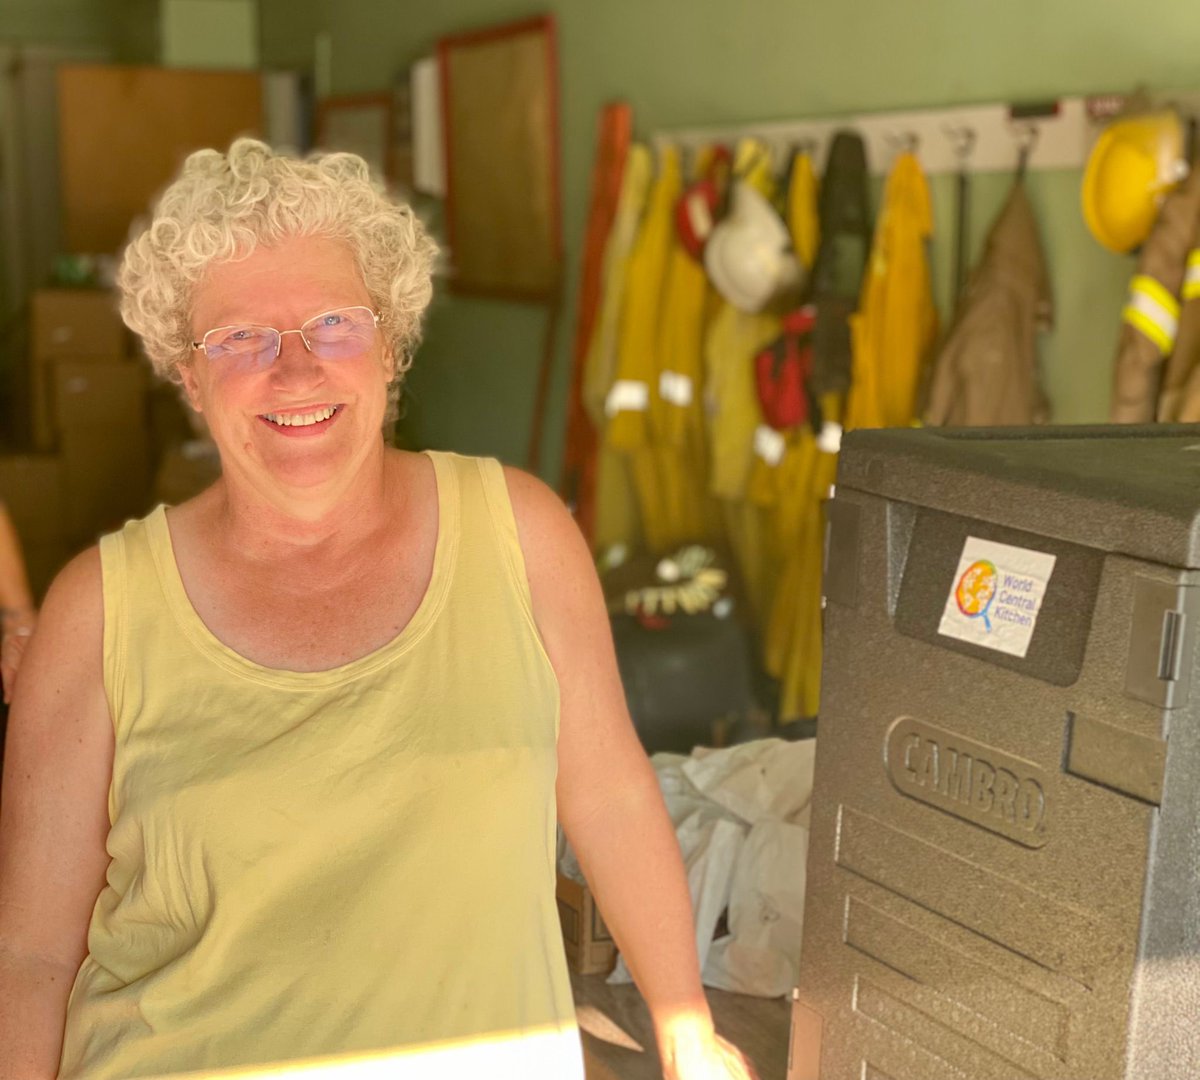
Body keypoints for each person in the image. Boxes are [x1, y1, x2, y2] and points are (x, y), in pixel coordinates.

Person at [0, 139, 758, 1080]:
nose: (295, 369)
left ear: (391, 346)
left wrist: (685, 1022)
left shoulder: (520, 534)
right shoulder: (98, 611)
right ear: (187, 376)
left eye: (333, 323)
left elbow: (606, 793)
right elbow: (30, 959)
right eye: (239, 338)